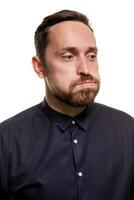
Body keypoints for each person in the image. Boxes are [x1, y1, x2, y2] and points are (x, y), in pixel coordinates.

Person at [0, 9, 134, 200]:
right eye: (68, 56)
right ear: (39, 67)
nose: (85, 69)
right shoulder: (6, 142)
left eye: (91, 55)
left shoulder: (128, 130)